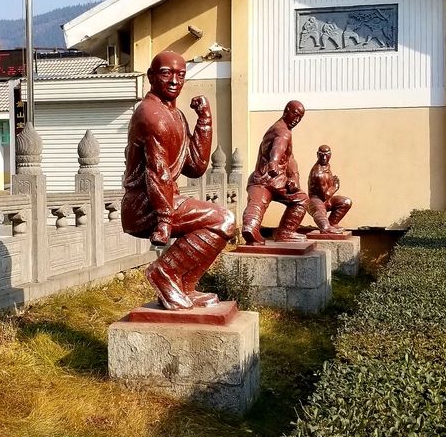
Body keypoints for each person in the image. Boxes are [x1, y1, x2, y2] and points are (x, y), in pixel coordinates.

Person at [122, 51, 237, 310]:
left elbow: (195, 166)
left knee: (223, 224)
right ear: (151, 76)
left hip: (163, 198)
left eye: (180, 75)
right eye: (166, 73)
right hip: (144, 204)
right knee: (224, 220)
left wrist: (204, 122)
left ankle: (184, 286)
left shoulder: (175, 115)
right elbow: (157, 171)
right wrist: (165, 218)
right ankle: (164, 272)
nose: (175, 81)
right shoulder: (151, 115)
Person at [242, 101, 309, 244]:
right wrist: (274, 161)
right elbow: (278, 147)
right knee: (301, 199)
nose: (297, 120)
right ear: (286, 111)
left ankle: (250, 227)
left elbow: (289, 158)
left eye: (300, 117)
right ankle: (286, 233)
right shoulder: (283, 132)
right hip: (274, 180)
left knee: (257, 204)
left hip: (258, 179)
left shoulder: (276, 128)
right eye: (295, 114)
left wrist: (294, 176)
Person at [308, 144, 352, 235]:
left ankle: (332, 223)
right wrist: (335, 186)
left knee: (346, 202)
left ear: (330, 155)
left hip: (327, 200)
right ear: (317, 155)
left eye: (326, 155)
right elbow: (324, 195)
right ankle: (326, 228)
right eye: (321, 155)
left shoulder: (326, 166)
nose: (324, 158)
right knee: (320, 212)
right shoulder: (318, 173)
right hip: (316, 200)